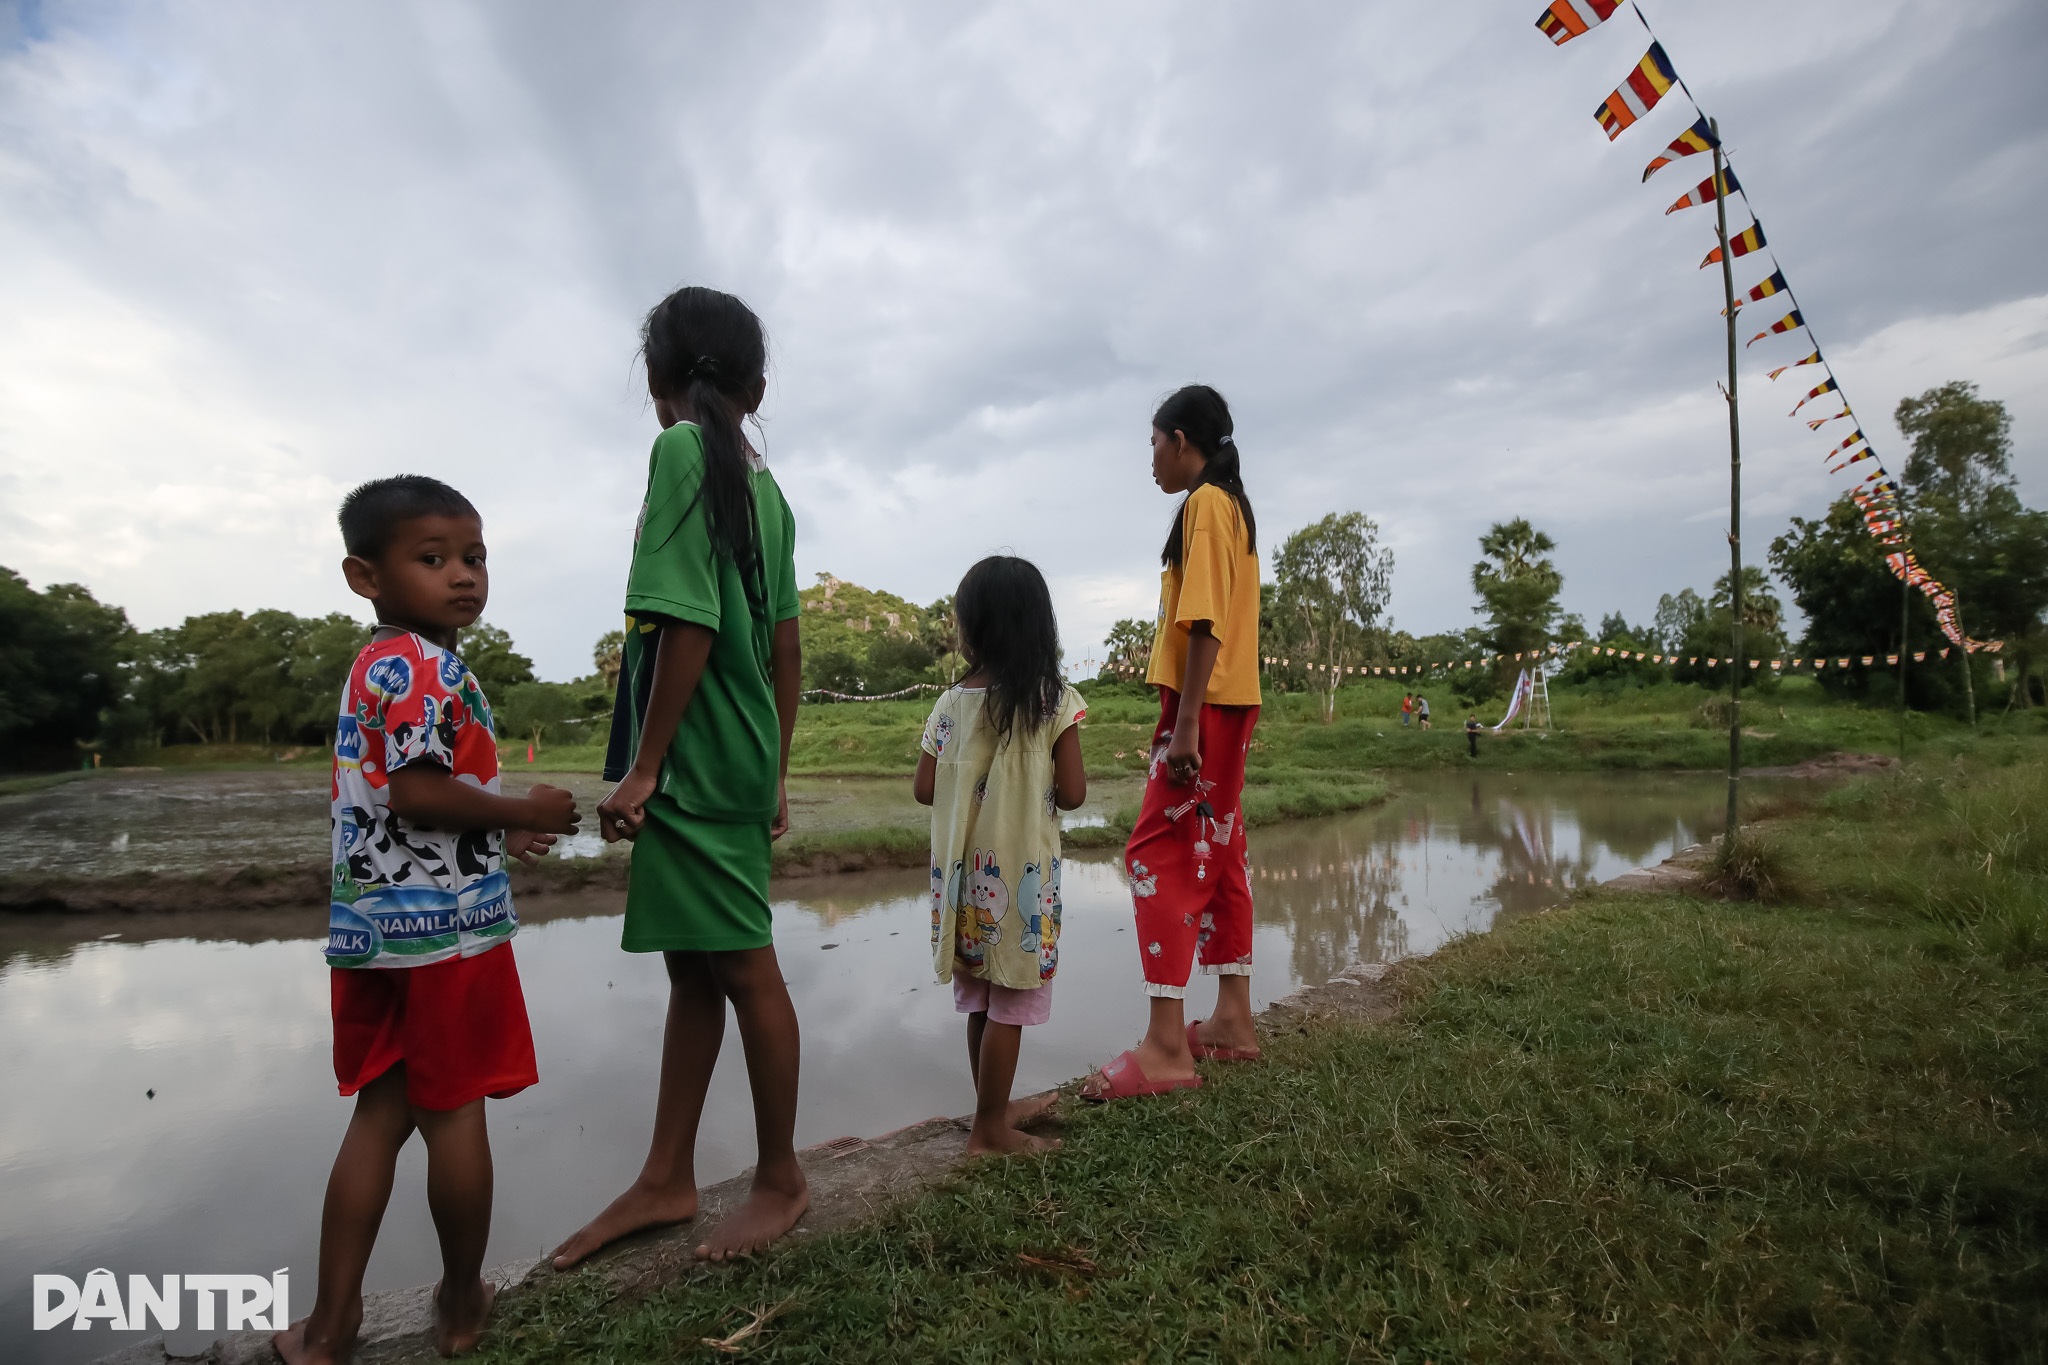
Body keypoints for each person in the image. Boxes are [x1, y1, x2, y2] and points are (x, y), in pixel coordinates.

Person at [276, 477, 581, 1365]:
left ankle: (330, 1328)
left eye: (474, 557)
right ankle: (458, 1305)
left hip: (374, 930)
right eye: (434, 558)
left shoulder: (376, 663)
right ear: (364, 575)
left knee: (379, 1112)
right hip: (444, 937)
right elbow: (418, 790)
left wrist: (501, 825)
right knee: (452, 1116)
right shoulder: (423, 665)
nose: (462, 576)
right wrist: (528, 805)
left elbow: (414, 801)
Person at [551, 287, 807, 1269]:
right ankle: (666, 1176)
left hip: (695, 756)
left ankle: (781, 1178)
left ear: (657, 383)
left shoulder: (676, 454)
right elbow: (787, 646)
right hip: (739, 748)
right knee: (697, 965)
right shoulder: (765, 489)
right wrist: (775, 768)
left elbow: (687, 624)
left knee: (741, 962)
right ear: (755, 387)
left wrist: (645, 765)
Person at [1083, 384, 1263, 1102]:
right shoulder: (1230, 506)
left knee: (1157, 852)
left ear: (1181, 440)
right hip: (1226, 700)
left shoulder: (1205, 505)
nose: (1151, 459)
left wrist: (1184, 722)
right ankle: (1232, 1019)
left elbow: (1205, 623)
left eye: (1154, 443)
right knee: (1220, 850)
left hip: (1206, 703)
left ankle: (1164, 1046)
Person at [913, 556, 1087, 1153]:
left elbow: (923, 788)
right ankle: (991, 1130)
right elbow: (1073, 793)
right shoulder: (1053, 702)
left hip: (965, 886)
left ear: (973, 627)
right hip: (1021, 886)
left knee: (981, 1001)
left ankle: (990, 1108)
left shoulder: (949, 704)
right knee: (1009, 1002)